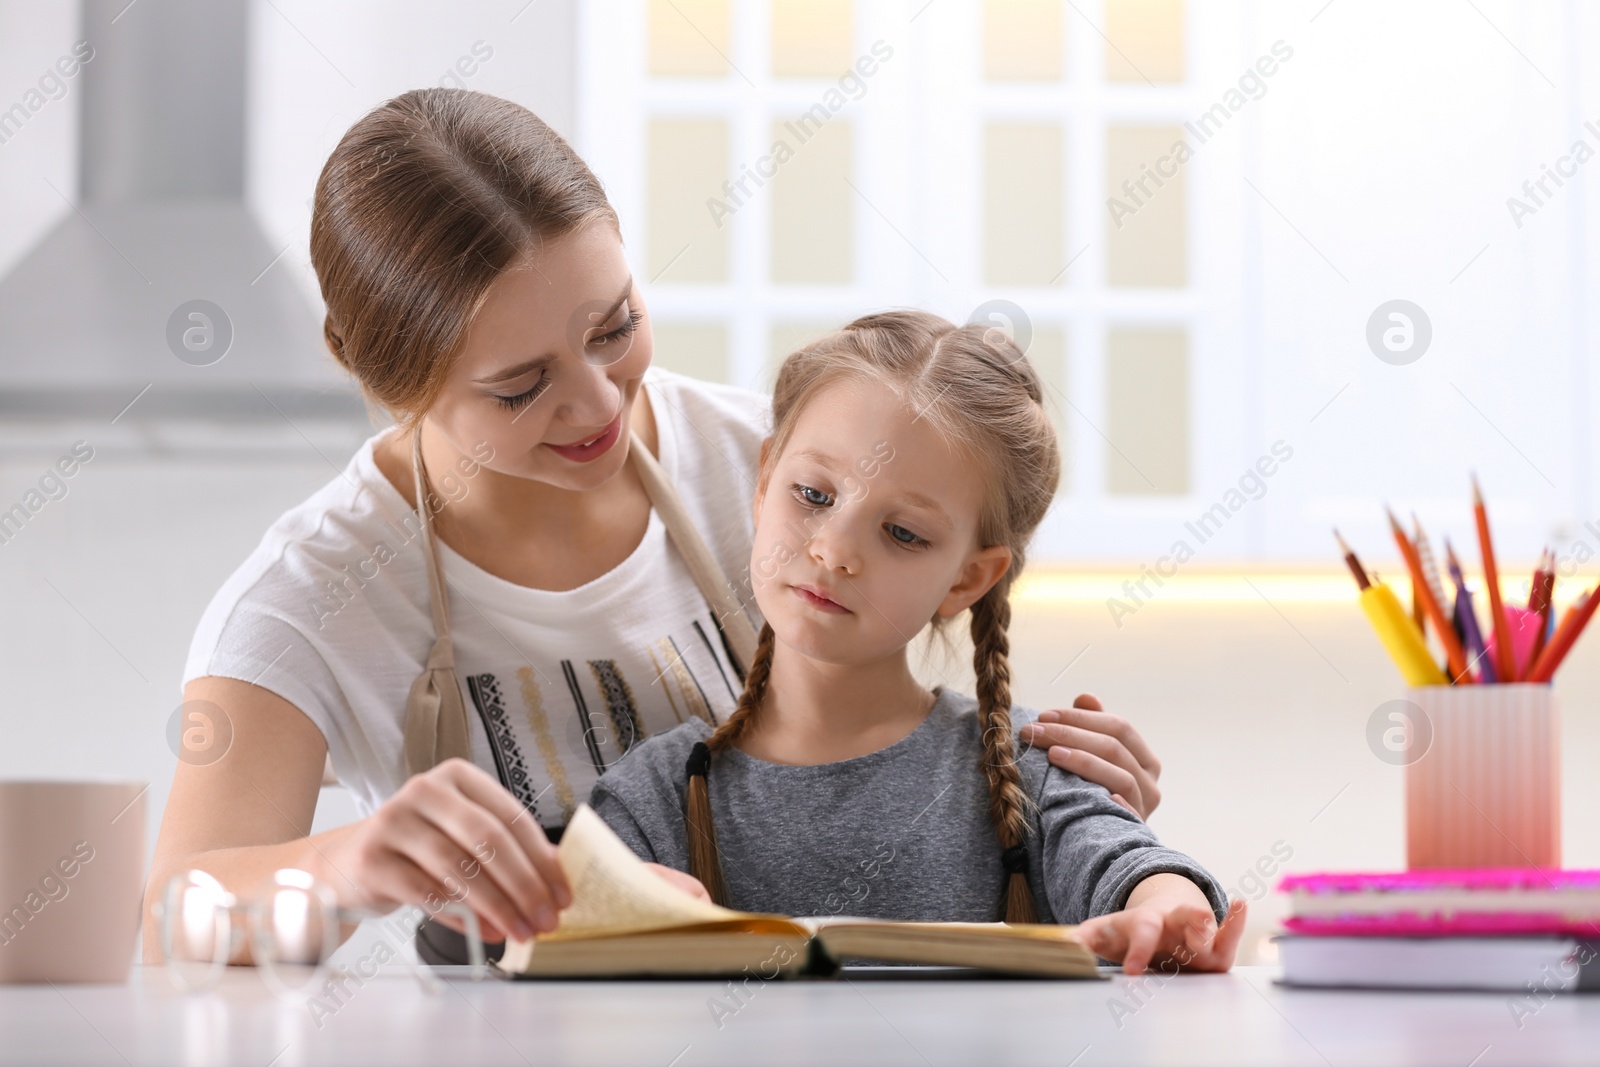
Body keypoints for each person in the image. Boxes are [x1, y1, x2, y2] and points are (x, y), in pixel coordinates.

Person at [142, 87, 1168, 965]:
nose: (597, 406)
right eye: (519, 386)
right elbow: (176, 911)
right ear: (384, 381)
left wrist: (1044, 791)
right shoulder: (313, 600)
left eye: (614, 327)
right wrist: (345, 863)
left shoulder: (775, 470)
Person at [590, 312, 1245, 974]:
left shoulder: (1031, 773)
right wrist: (605, 910)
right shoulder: (656, 797)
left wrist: (1168, 904)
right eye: (814, 493)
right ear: (764, 482)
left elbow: (1133, 867)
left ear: (968, 577)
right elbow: (563, 944)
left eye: (902, 533)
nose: (833, 547)